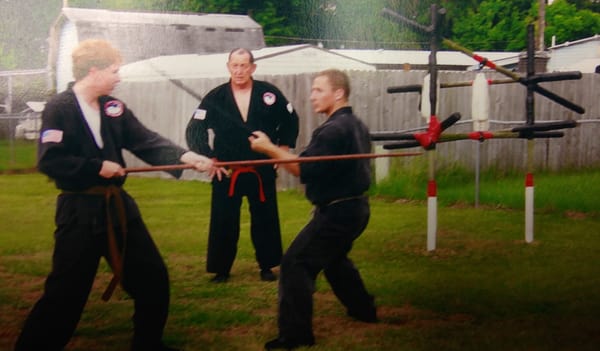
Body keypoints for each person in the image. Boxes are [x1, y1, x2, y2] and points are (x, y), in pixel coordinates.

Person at [14, 39, 221, 351]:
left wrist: (187, 157)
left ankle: (148, 344)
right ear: (94, 71)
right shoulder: (61, 107)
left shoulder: (113, 107)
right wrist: (97, 167)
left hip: (118, 210)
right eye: (114, 70)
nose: (119, 77)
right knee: (65, 294)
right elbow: (50, 160)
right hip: (79, 213)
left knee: (153, 279)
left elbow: (145, 140)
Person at [248, 69, 377, 350]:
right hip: (356, 209)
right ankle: (363, 309)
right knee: (333, 259)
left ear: (338, 93)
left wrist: (269, 148)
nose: (312, 96)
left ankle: (295, 336)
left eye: (319, 90)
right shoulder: (356, 125)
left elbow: (302, 169)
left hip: (338, 213)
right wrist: (277, 152)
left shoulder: (332, 130)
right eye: (312, 90)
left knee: (296, 264)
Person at [185, 48, 299, 283]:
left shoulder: (269, 93)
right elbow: (194, 129)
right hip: (227, 170)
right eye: (235, 66)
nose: (239, 71)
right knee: (224, 220)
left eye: (244, 66)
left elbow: (290, 119)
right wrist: (209, 157)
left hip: (262, 168)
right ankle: (221, 269)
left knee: (265, 218)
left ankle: (268, 266)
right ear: (228, 67)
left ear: (252, 68)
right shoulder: (216, 97)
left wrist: (282, 150)